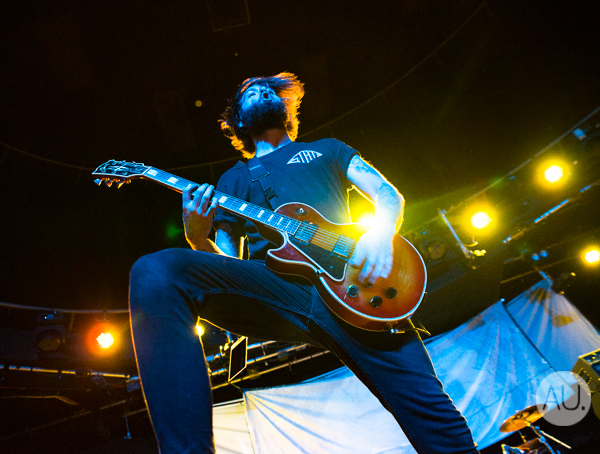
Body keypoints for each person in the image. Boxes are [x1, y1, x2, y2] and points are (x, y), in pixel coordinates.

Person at [129, 72, 479, 453]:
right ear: (238, 121)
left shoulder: (328, 149)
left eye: (267, 88)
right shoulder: (233, 180)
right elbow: (226, 267)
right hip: (278, 286)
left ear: (286, 107)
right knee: (155, 272)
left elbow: (386, 194)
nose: (259, 90)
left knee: (438, 422)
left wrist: (379, 234)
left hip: (353, 287)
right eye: (248, 92)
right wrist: (198, 238)